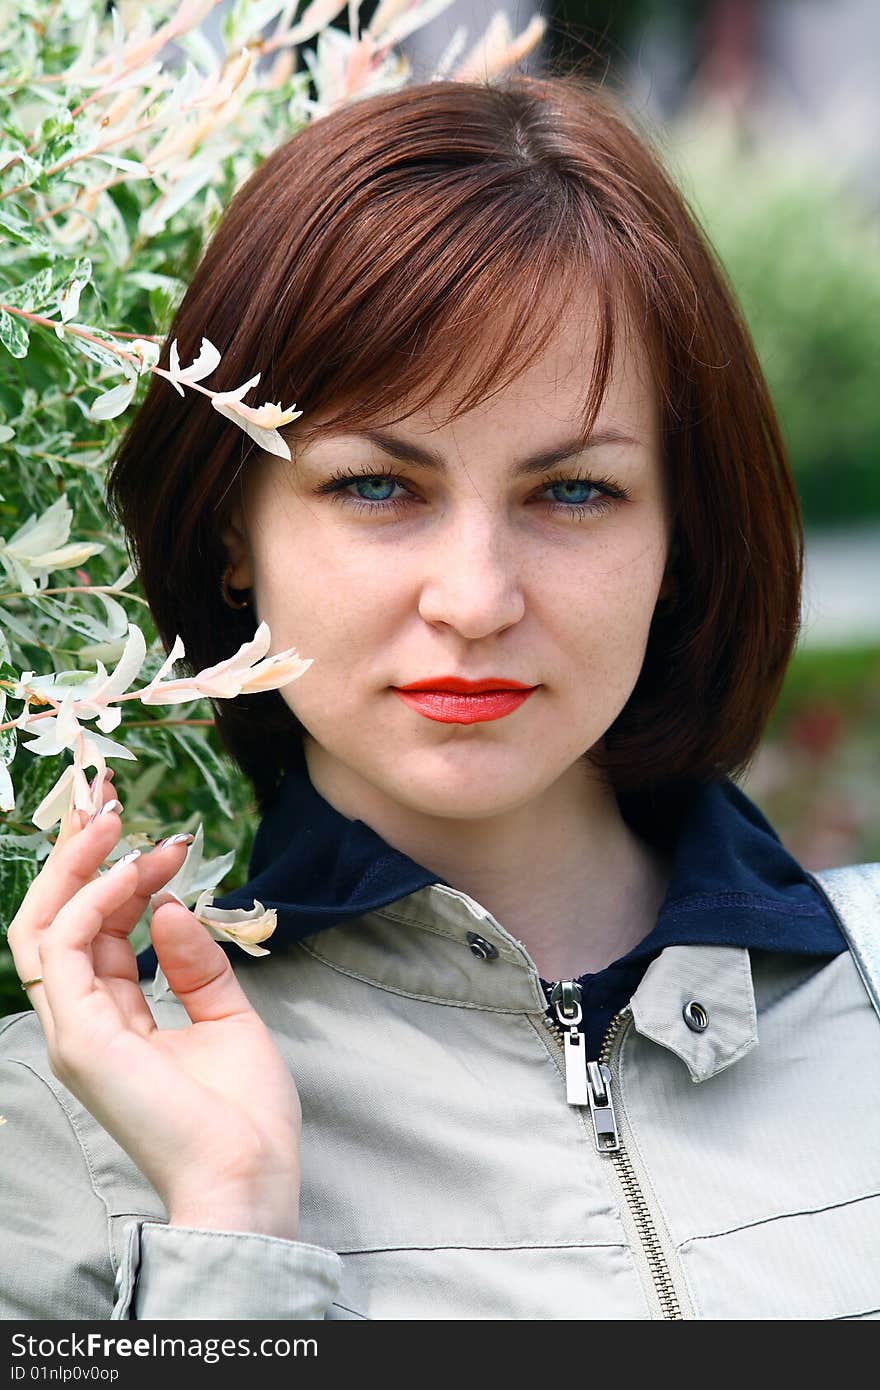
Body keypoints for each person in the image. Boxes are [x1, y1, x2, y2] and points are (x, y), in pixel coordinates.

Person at [2, 72, 879, 1323]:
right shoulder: (51, 1131)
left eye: (572, 490)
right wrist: (230, 1226)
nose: (474, 598)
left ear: (681, 535)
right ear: (231, 528)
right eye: (377, 486)